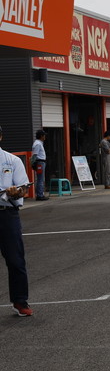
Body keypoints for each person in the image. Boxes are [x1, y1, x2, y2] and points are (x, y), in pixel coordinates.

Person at [0, 125, 32, 316]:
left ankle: (20, 301)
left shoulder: (12, 161)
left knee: (15, 260)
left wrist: (15, 192)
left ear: (0, 137)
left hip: (7, 214)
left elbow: (24, 189)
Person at [31, 130, 48, 201]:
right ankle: (40, 195)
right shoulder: (38, 144)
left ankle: (40, 194)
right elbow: (35, 154)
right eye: (44, 135)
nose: (45, 136)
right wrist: (32, 163)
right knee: (40, 179)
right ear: (41, 136)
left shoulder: (39, 143)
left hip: (40, 162)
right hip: (40, 162)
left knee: (40, 178)